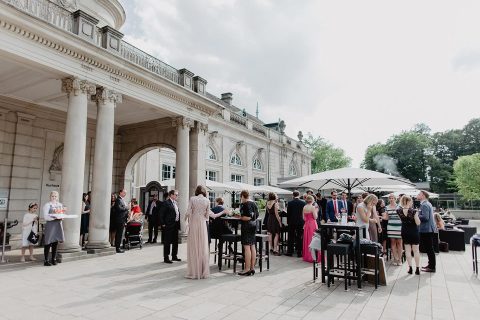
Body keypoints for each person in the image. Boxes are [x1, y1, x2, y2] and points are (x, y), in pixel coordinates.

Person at [185, 185, 226, 279]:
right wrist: (223, 212)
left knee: (194, 247)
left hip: (194, 224)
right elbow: (211, 216)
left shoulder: (192, 199)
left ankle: (194, 271)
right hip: (203, 224)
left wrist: (187, 220)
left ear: (196, 191)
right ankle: (202, 270)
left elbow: (188, 212)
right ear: (204, 192)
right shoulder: (207, 200)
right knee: (202, 247)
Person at [397, 195, 421, 275]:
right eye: (411, 201)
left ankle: (410, 268)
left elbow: (401, 221)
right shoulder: (414, 211)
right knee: (416, 250)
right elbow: (418, 223)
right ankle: (417, 269)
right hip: (413, 231)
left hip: (405, 231)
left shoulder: (399, 210)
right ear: (408, 201)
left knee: (407, 250)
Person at [237, 190, 259, 276]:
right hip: (254, 226)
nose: (241, 199)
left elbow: (248, 217)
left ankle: (246, 269)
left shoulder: (245, 204)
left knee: (246, 247)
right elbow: (256, 215)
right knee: (252, 246)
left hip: (246, 226)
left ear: (242, 196)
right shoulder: (254, 203)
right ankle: (252, 268)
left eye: (241, 197)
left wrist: (240, 217)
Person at [42, 191, 65, 266]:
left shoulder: (60, 205)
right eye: (52, 196)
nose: (54, 197)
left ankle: (53, 259)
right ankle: (46, 260)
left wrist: (62, 216)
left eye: (55, 196)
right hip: (50, 225)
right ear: (50, 196)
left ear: (57, 197)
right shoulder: (47, 205)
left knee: (55, 242)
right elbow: (46, 217)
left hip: (58, 224)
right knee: (48, 242)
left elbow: (62, 214)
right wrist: (54, 217)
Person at [159, 189, 181, 263]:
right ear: (171, 195)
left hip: (175, 225)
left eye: (177, 195)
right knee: (167, 242)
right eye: (176, 195)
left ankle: (174, 256)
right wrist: (163, 224)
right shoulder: (166, 203)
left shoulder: (176, 203)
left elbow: (177, 213)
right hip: (168, 225)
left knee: (175, 241)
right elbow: (161, 214)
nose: (177, 196)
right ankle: (166, 257)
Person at [417, 190, 437, 273]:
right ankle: (430, 265)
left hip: (426, 229)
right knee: (429, 248)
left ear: (423, 196)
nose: (417, 195)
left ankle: (432, 267)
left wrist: (417, 214)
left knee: (429, 248)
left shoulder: (425, 205)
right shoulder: (426, 204)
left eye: (419, 194)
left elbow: (425, 217)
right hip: (428, 229)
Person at [286, 190, 305, 257]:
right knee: (299, 237)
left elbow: (288, 214)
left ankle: (289, 252)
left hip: (292, 222)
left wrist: (288, 222)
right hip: (300, 222)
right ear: (299, 195)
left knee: (290, 237)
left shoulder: (290, 203)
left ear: (293, 195)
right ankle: (299, 252)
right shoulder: (303, 203)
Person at [302, 195, 320, 263]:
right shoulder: (313, 207)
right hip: (312, 224)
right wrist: (316, 211)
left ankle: (307, 255)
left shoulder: (304, 207)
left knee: (307, 239)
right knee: (314, 239)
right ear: (312, 200)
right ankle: (314, 257)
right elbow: (315, 217)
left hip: (307, 224)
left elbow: (304, 218)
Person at [386, 193, 403, 266]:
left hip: (399, 226)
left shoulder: (400, 207)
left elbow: (402, 217)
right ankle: (395, 259)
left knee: (399, 243)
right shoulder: (386, 207)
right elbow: (387, 218)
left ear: (395, 199)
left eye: (392, 198)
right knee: (393, 243)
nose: (391, 199)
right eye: (390, 198)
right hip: (390, 226)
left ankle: (399, 259)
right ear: (388, 199)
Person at [112, 189, 129, 253]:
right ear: (120, 192)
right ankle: (117, 248)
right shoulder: (118, 200)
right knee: (119, 234)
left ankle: (118, 246)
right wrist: (126, 208)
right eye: (124, 192)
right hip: (119, 220)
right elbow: (119, 208)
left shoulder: (121, 199)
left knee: (119, 234)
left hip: (122, 219)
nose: (125, 194)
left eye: (125, 193)